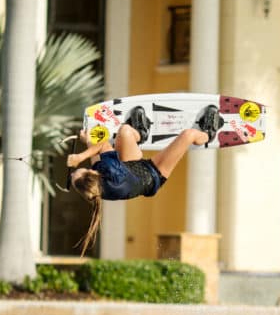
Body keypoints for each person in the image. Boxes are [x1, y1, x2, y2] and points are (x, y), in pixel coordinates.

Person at [66, 106, 216, 254]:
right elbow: (102, 145)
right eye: (81, 170)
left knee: (124, 131)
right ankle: (208, 134)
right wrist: (80, 157)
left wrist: (88, 141)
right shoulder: (110, 173)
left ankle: (140, 133)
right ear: (92, 173)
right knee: (188, 135)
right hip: (155, 175)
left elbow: (96, 155)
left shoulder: (98, 189)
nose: (73, 174)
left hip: (132, 166)